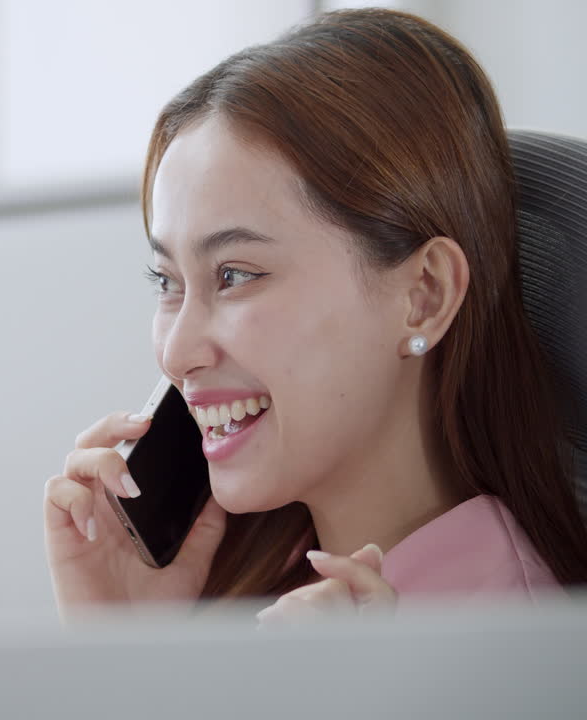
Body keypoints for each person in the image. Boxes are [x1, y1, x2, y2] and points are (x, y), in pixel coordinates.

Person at [43, 7, 587, 625]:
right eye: (166, 282)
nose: (176, 351)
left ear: (425, 296)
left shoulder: (507, 652)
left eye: (236, 275)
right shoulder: (270, 592)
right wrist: (124, 649)